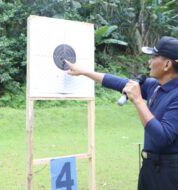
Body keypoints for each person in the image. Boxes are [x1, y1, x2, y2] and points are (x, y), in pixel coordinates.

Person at [65, 36, 178, 190]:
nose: (149, 62)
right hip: (150, 166)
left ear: (166, 64)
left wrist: (138, 100)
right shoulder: (155, 86)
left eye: (154, 57)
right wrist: (84, 72)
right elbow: (119, 82)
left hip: (169, 173)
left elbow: (163, 137)